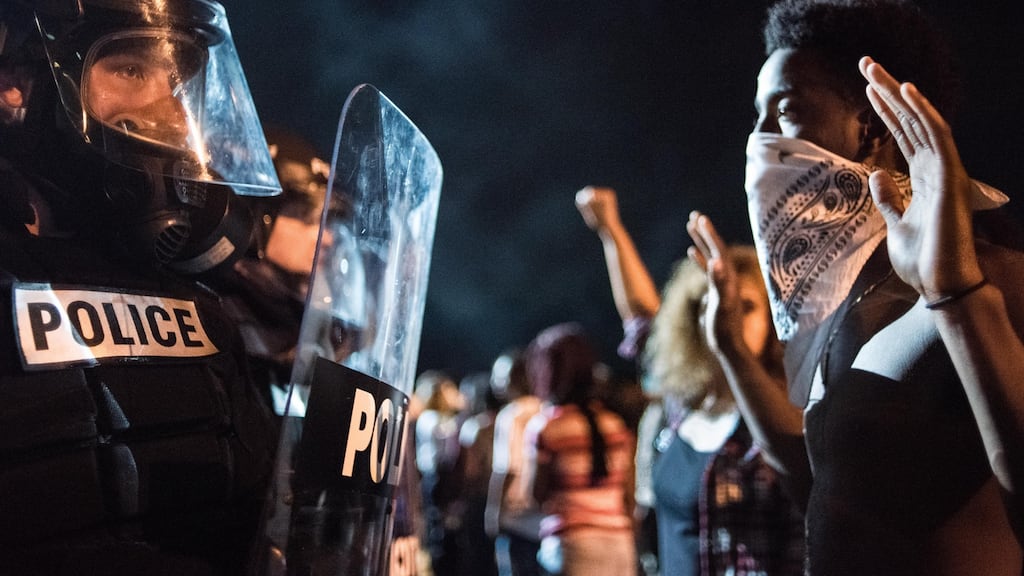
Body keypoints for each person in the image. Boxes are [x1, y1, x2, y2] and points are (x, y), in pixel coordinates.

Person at [686, 1, 1024, 574]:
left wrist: (956, 296)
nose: (759, 139)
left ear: (867, 127)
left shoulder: (997, 278)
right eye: (757, 115)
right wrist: (733, 354)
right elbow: (826, 495)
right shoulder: (849, 306)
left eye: (785, 111)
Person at [0, 0, 280, 574]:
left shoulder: (202, 309)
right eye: (131, 69)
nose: (176, 116)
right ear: (17, 88)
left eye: (178, 81)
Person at [578, 187, 805, 575]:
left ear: (772, 321)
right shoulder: (682, 407)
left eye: (745, 306)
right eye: (707, 303)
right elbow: (643, 320)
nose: (724, 314)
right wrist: (610, 230)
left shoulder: (786, 413)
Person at [521, 322, 636, 576]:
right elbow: (628, 495)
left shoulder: (546, 427)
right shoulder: (615, 425)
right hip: (619, 543)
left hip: (573, 545)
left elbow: (535, 495)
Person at [486, 348, 545, 576]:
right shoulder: (545, 407)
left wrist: (492, 512)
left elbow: (506, 468)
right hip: (541, 518)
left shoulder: (511, 414)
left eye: (500, 375)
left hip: (516, 517)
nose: (495, 381)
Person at [414, 368, 466, 575]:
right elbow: (449, 444)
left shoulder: (435, 418)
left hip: (439, 478)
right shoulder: (432, 419)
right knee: (440, 531)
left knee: (444, 529)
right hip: (437, 479)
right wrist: (461, 410)